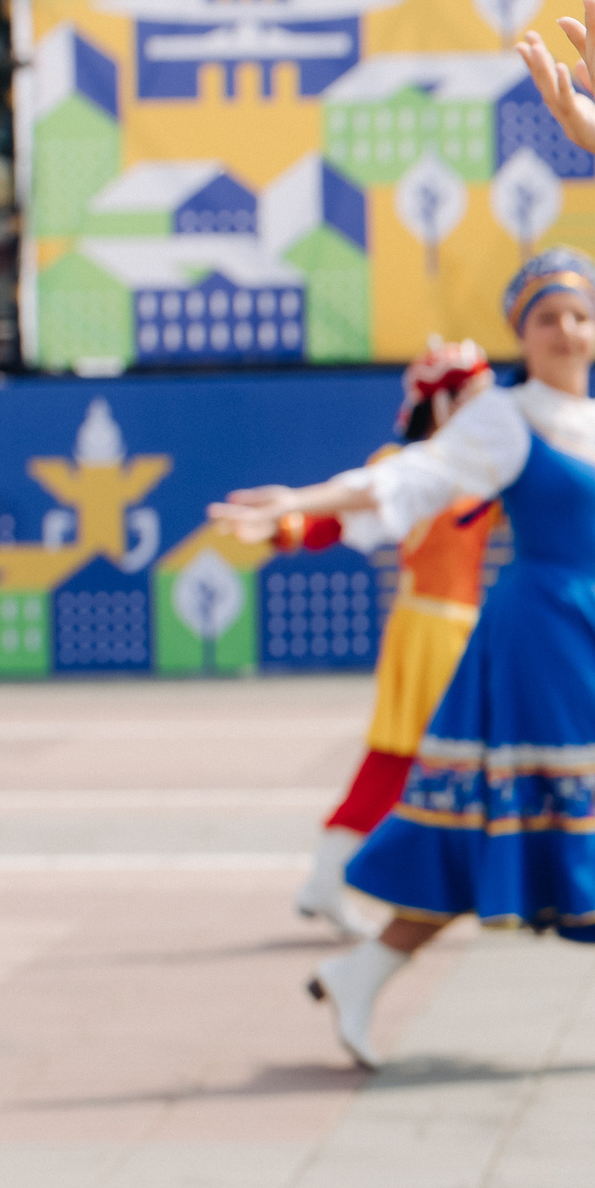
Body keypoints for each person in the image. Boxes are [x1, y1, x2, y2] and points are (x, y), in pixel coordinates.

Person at [212, 248, 595, 1069]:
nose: (566, 330)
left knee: (560, 807)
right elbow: (414, 475)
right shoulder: (506, 418)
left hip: (591, 630)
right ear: (522, 332)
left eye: (579, 315)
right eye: (547, 317)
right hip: (537, 633)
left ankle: (373, 973)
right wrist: (299, 502)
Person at [216, 339, 498, 938]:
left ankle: (359, 880)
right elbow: (347, 513)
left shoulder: (487, 459)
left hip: (457, 628)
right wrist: (285, 525)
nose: (488, 405)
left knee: (435, 760)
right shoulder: (411, 465)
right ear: (444, 402)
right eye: (475, 395)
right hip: (431, 628)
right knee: (415, 760)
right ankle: (368, 881)